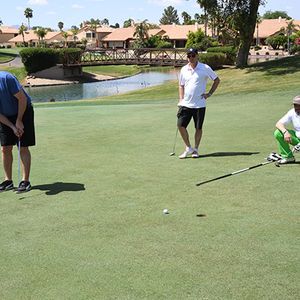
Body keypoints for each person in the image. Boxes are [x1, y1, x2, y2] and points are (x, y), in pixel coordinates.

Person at [177, 48, 220, 159]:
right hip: (186, 104)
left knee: (198, 128)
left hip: (199, 104)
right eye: (189, 56)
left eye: (193, 55)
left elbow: (216, 80)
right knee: (180, 125)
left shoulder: (205, 68)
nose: (191, 58)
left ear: (197, 56)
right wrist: (181, 99)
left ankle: (195, 149)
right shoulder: (183, 69)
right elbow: (181, 85)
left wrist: (209, 94)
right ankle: (188, 148)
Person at [0, 71, 35, 192]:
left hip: (24, 110)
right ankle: (8, 181)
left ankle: (25, 181)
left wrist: (19, 121)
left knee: (23, 146)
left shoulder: (6, 78)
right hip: (5, 116)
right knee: (5, 148)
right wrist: (12, 127)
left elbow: (22, 99)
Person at [274, 95, 300, 164]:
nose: (296, 107)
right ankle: (288, 157)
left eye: (298, 105)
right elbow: (278, 123)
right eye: (295, 105)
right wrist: (285, 132)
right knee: (278, 133)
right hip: (298, 139)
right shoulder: (292, 112)